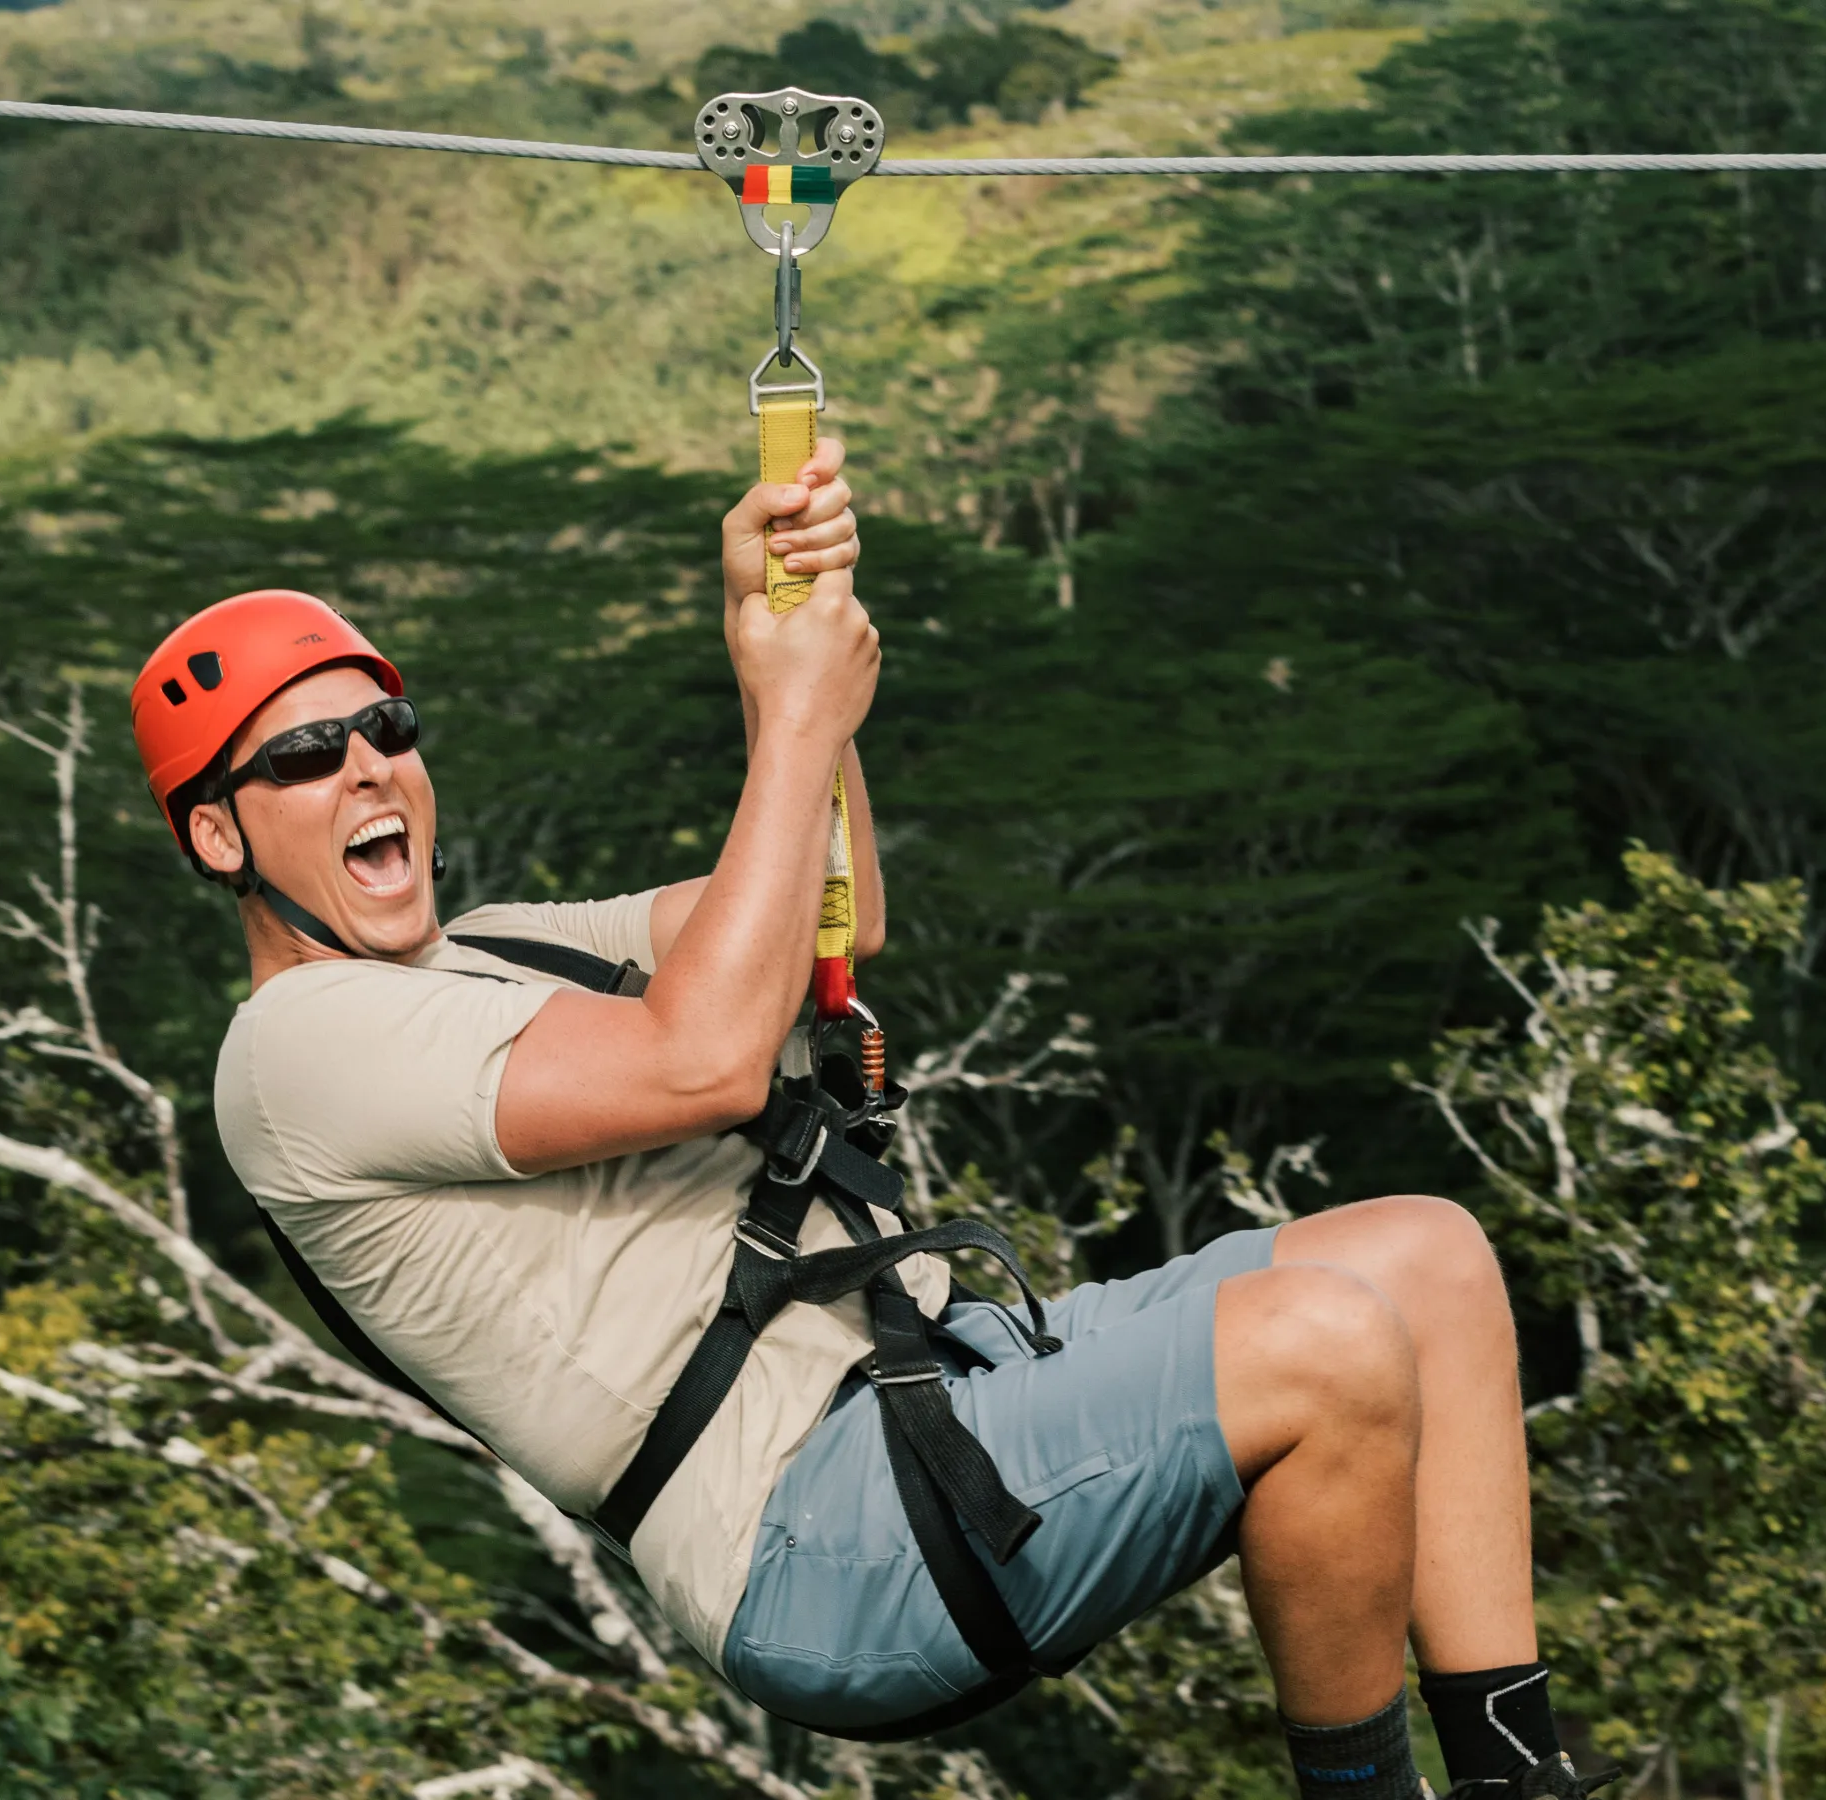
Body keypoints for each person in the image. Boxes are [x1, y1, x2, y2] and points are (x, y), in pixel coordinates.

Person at [128, 442, 1610, 1800]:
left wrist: (783, 625)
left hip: (931, 1396)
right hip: (810, 1541)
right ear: (215, 836)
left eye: (384, 726)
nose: (371, 767)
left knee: (1430, 1260)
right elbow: (706, 1059)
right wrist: (790, 706)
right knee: (1331, 1350)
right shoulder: (292, 1056)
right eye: (304, 758)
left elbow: (835, 917)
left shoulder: (503, 950)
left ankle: (1515, 1774)